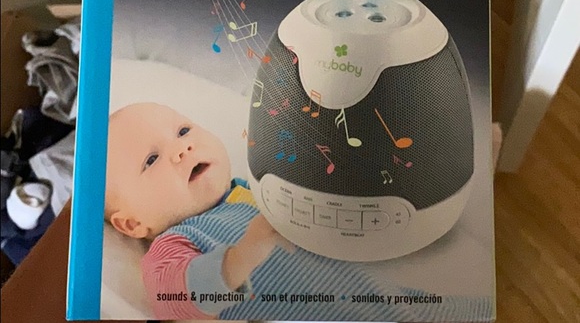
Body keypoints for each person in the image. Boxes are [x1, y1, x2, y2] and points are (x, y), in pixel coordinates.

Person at [105, 102, 488, 321]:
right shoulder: (174, 244)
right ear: (132, 223)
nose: (181, 149)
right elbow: (174, 296)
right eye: (151, 160)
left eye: (183, 131)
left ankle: (474, 167)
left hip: (378, 293)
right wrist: (242, 257)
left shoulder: (257, 190)